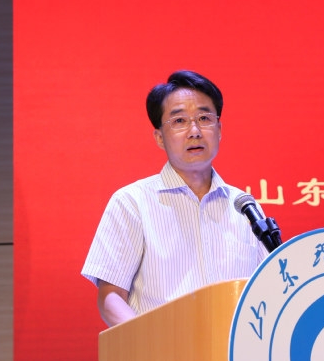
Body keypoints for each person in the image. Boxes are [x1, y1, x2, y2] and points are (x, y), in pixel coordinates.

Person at [81, 70, 269, 327]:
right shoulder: (132, 202)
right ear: (159, 137)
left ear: (219, 129)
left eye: (204, 118)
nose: (195, 131)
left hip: (233, 349)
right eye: (179, 121)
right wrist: (145, 340)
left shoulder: (244, 206)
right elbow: (111, 296)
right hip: (161, 348)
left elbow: (267, 289)